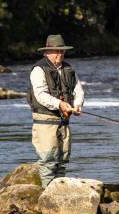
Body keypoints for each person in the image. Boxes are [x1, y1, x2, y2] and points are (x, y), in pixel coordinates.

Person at [27, 34, 84, 187]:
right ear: (47, 52)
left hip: (64, 122)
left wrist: (78, 105)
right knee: (49, 161)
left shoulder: (68, 69)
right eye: (56, 51)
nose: (60, 54)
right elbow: (40, 95)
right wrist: (59, 104)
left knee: (63, 160)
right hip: (45, 122)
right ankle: (47, 195)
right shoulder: (38, 70)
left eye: (62, 51)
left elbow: (78, 91)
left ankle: (57, 192)